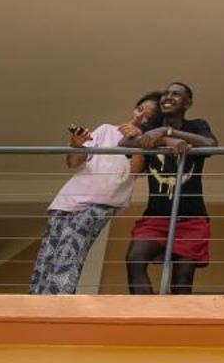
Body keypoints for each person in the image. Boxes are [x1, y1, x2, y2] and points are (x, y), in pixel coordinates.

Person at [29, 92, 160, 295]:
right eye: (140, 109)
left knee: (70, 251)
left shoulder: (146, 143)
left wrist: (136, 138)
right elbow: (73, 163)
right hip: (66, 200)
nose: (140, 116)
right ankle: (35, 301)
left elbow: (134, 170)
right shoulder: (106, 129)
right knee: (48, 254)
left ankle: (55, 302)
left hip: (101, 204)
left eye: (148, 116)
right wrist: (76, 144)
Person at [124, 80, 218, 294]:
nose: (168, 97)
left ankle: (174, 326)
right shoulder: (149, 128)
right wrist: (166, 141)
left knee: (182, 279)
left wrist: (168, 132)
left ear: (188, 103)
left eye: (175, 94)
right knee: (135, 258)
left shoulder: (197, 125)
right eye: (165, 94)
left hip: (192, 219)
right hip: (156, 217)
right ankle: (147, 321)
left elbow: (211, 145)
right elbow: (125, 145)